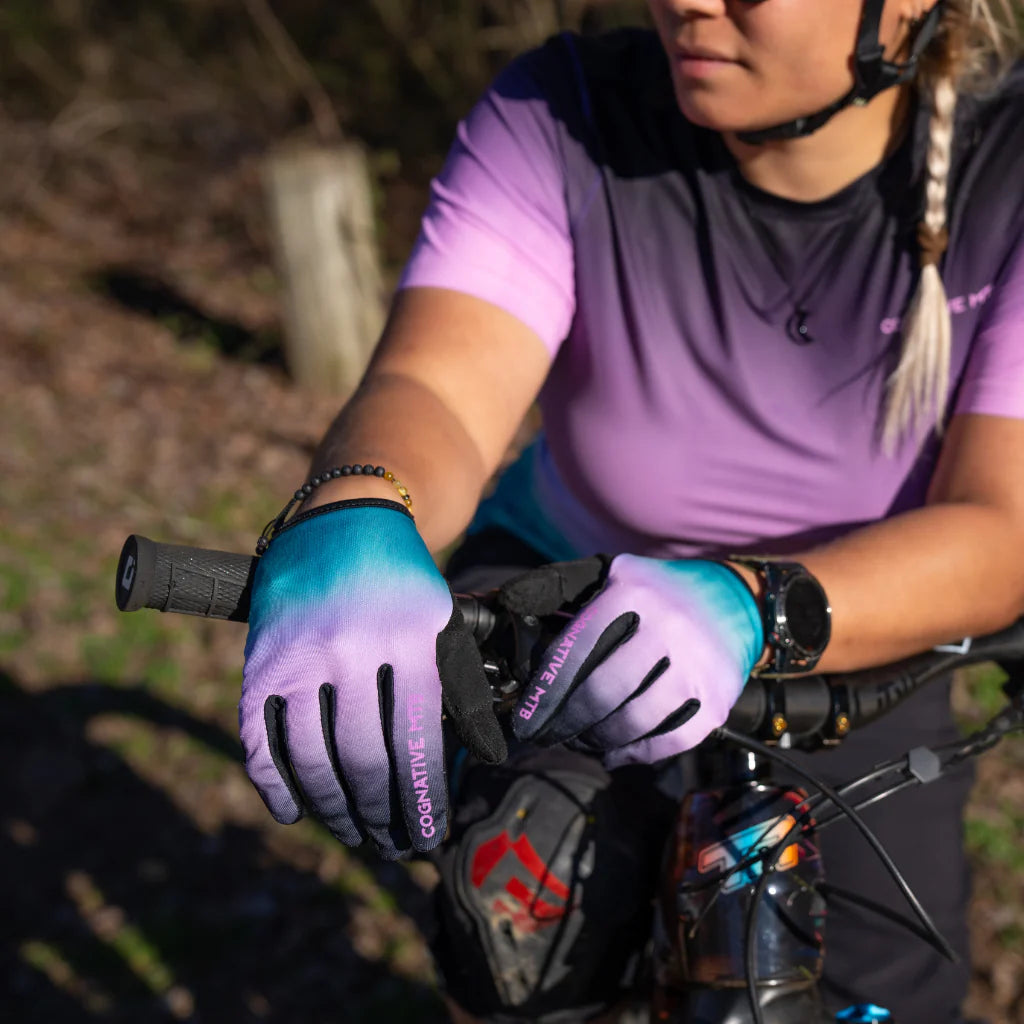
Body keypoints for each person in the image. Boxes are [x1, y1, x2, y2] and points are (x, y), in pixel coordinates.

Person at [239, 1, 1024, 1021]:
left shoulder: (1006, 167)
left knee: (878, 992)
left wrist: (750, 604)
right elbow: (437, 388)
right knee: (532, 941)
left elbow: (1000, 524)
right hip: (568, 599)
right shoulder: (560, 112)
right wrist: (359, 511)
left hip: (856, 627)